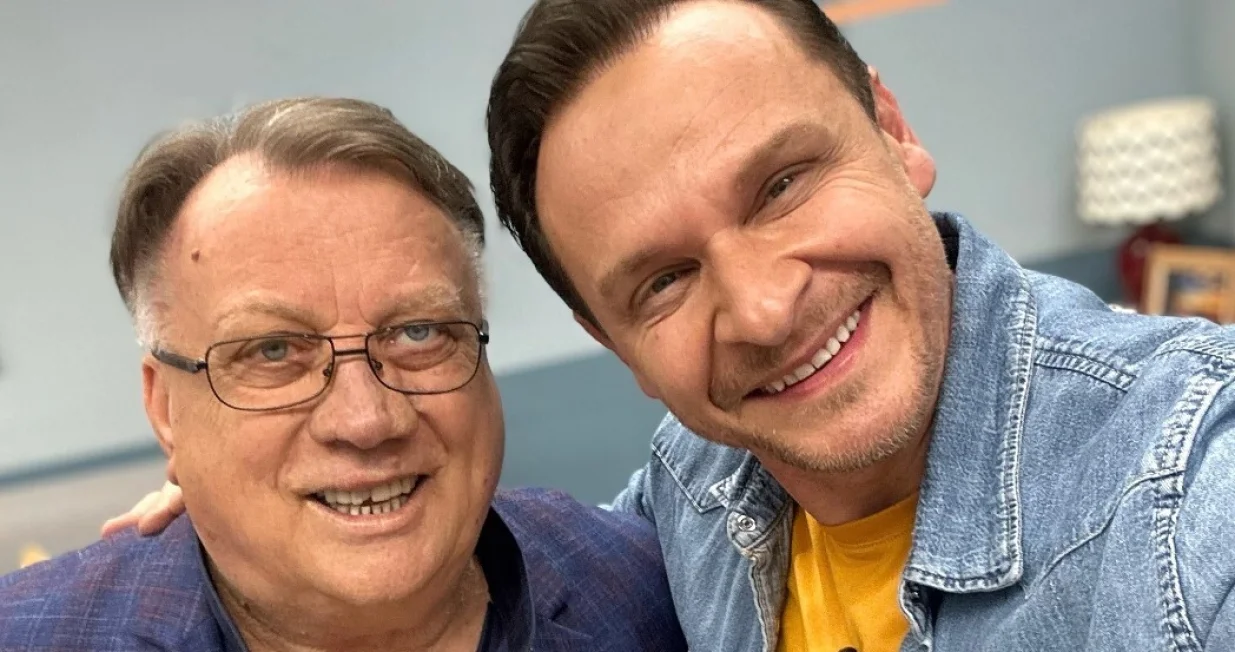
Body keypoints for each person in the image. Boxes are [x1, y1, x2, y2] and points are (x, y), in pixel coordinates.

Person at [109, 0, 1235, 650]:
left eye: (781, 184)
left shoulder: (1190, 498)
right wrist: (250, 488)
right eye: (660, 281)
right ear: (613, 343)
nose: (763, 307)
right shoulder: (695, 492)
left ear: (890, 129)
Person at [0, 97, 685, 652]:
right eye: (273, 352)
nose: (366, 420)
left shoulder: (650, 590)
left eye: (418, 333)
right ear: (166, 410)